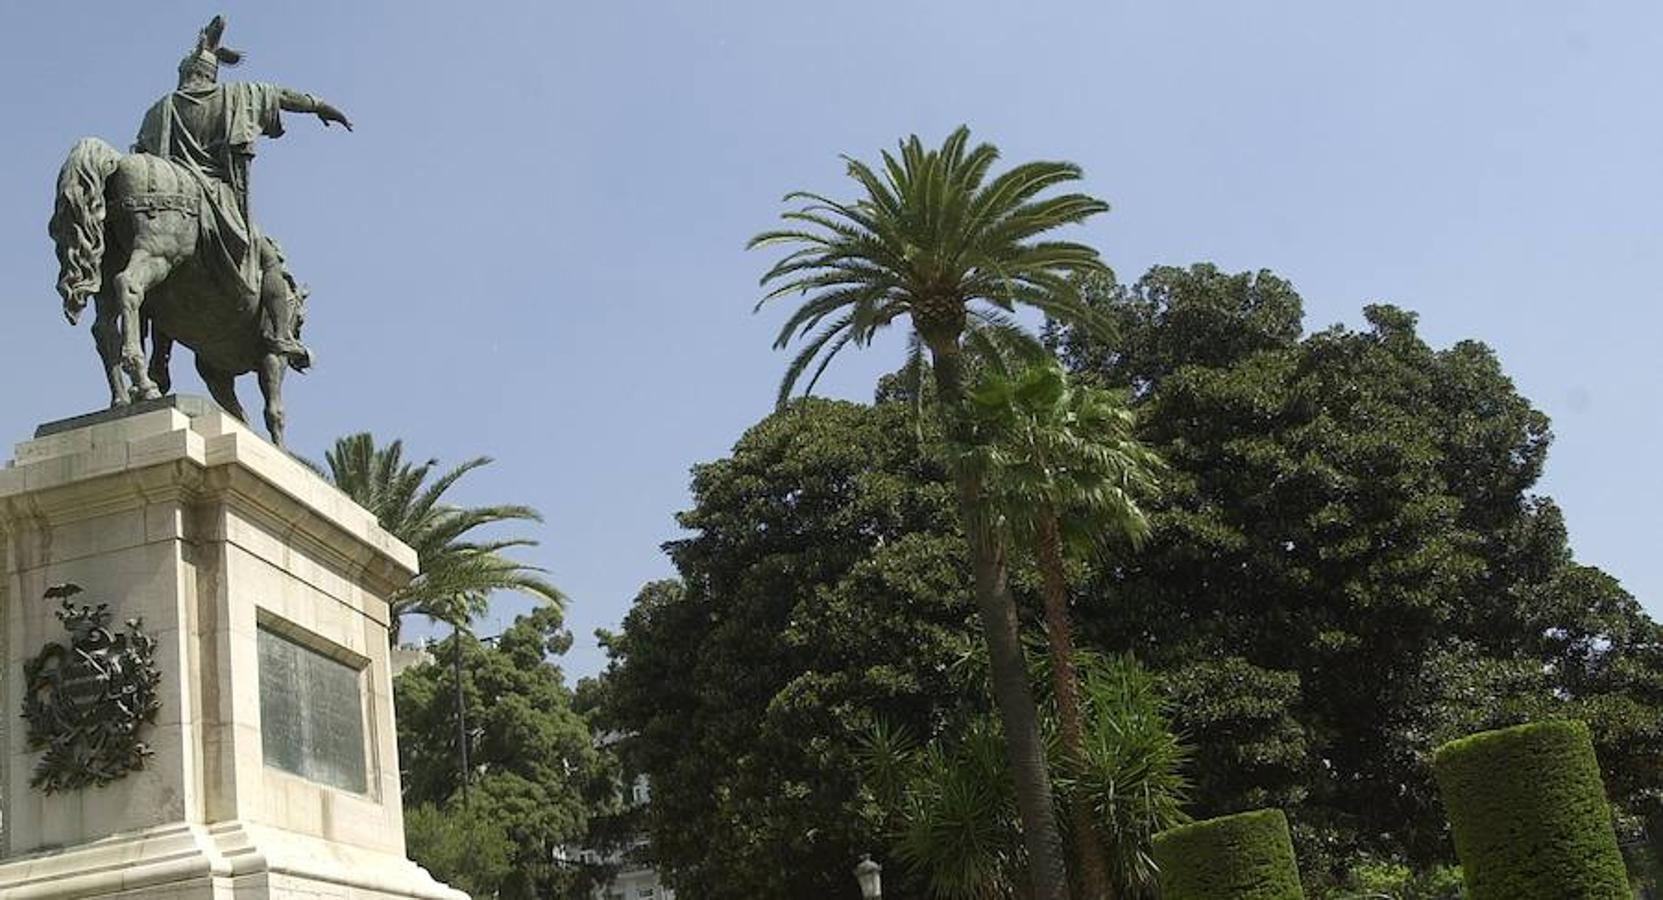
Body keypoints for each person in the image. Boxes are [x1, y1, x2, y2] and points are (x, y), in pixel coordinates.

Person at [131, 16, 351, 370]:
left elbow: (141, 163)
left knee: (149, 266)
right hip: (218, 200)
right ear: (211, 74)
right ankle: (281, 336)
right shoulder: (236, 95)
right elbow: (281, 96)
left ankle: (158, 358)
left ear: (185, 72)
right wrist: (319, 105)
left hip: (167, 199)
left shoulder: (159, 109)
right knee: (269, 259)